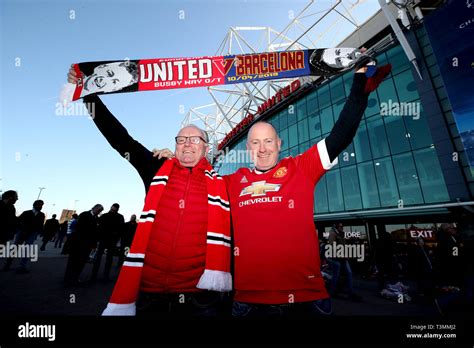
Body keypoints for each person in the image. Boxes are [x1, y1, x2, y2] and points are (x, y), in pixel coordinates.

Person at [155, 57, 391, 317]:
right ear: (248, 149)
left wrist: (358, 87)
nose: (262, 149)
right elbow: (192, 179)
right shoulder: (230, 182)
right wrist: (176, 160)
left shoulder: (301, 168)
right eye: (255, 143)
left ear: (279, 144)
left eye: (268, 141)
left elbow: (341, 134)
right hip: (248, 303)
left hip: (307, 300)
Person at [66, 67, 232, 317]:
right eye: (182, 139)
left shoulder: (221, 184)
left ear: (206, 148)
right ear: (174, 146)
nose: (188, 144)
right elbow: (120, 139)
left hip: (200, 297)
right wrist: (88, 95)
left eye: (195, 139)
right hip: (149, 292)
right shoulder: (156, 168)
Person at [64, 204, 104, 286]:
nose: (99, 212)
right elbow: (79, 228)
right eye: (98, 210)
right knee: (73, 261)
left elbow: (97, 232)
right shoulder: (84, 215)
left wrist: (94, 244)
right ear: (94, 208)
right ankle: (68, 278)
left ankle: (75, 278)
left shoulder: (97, 219)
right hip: (79, 243)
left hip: (88, 244)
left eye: (100, 211)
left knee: (81, 262)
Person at [4, 200, 45, 273]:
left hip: (32, 233)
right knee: (15, 247)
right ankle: (7, 264)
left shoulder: (42, 215)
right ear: (34, 205)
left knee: (27, 249)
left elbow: (41, 224)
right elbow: (18, 220)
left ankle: (22, 266)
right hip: (22, 232)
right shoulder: (27, 212)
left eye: (42, 205)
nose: (40, 206)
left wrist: (39, 231)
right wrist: (19, 229)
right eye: (39, 205)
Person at [326, 223, 362, 301]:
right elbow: (332, 244)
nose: (342, 228)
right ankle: (332, 292)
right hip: (336, 258)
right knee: (336, 275)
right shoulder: (332, 233)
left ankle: (350, 293)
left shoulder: (340, 234)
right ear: (336, 227)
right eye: (341, 226)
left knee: (348, 273)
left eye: (343, 226)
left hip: (342, 258)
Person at [90, 203, 125, 282]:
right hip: (110, 240)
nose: (113, 210)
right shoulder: (119, 217)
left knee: (100, 258)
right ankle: (104, 276)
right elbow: (121, 230)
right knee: (107, 258)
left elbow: (99, 227)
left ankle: (95, 276)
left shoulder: (105, 216)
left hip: (105, 239)